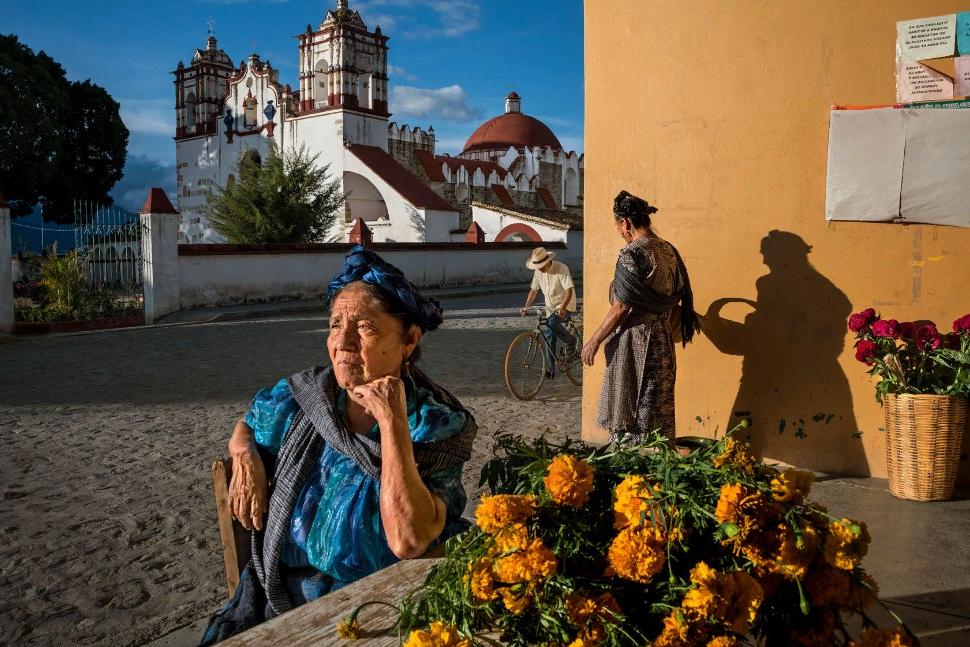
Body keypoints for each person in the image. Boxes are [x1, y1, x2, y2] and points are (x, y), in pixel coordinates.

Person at [201, 246, 477, 644]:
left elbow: (409, 539)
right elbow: (248, 421)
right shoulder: (305, 395)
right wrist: (243, 453)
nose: (342, 343)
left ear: (409, 339)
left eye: (364, 327)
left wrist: (392, 420)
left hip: (378, 605)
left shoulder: (433, 423)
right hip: (279, 596)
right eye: (334, 325)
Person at [581, 191, 701, 443]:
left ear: (625, 223)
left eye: (618, 226)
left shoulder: (633, 253)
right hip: (663, 340)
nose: (619, 232)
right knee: (659, 410)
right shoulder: (669, 251)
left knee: (633, 412)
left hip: (635, 345)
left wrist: (594, 340)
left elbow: (622, 306)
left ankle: (634, 473)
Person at [519, 247, 578, 378]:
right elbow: (534, 290)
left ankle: (571, 342)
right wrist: (526, 307)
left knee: (551, 323)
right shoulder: (538, 272)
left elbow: (569, 290)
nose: (539, 268)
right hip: (550, 307)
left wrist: (563, 307)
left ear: (547, 262)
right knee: (549, 337)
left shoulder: (561, 268)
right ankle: (551, 371)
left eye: (540, 265)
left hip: (566, 303)